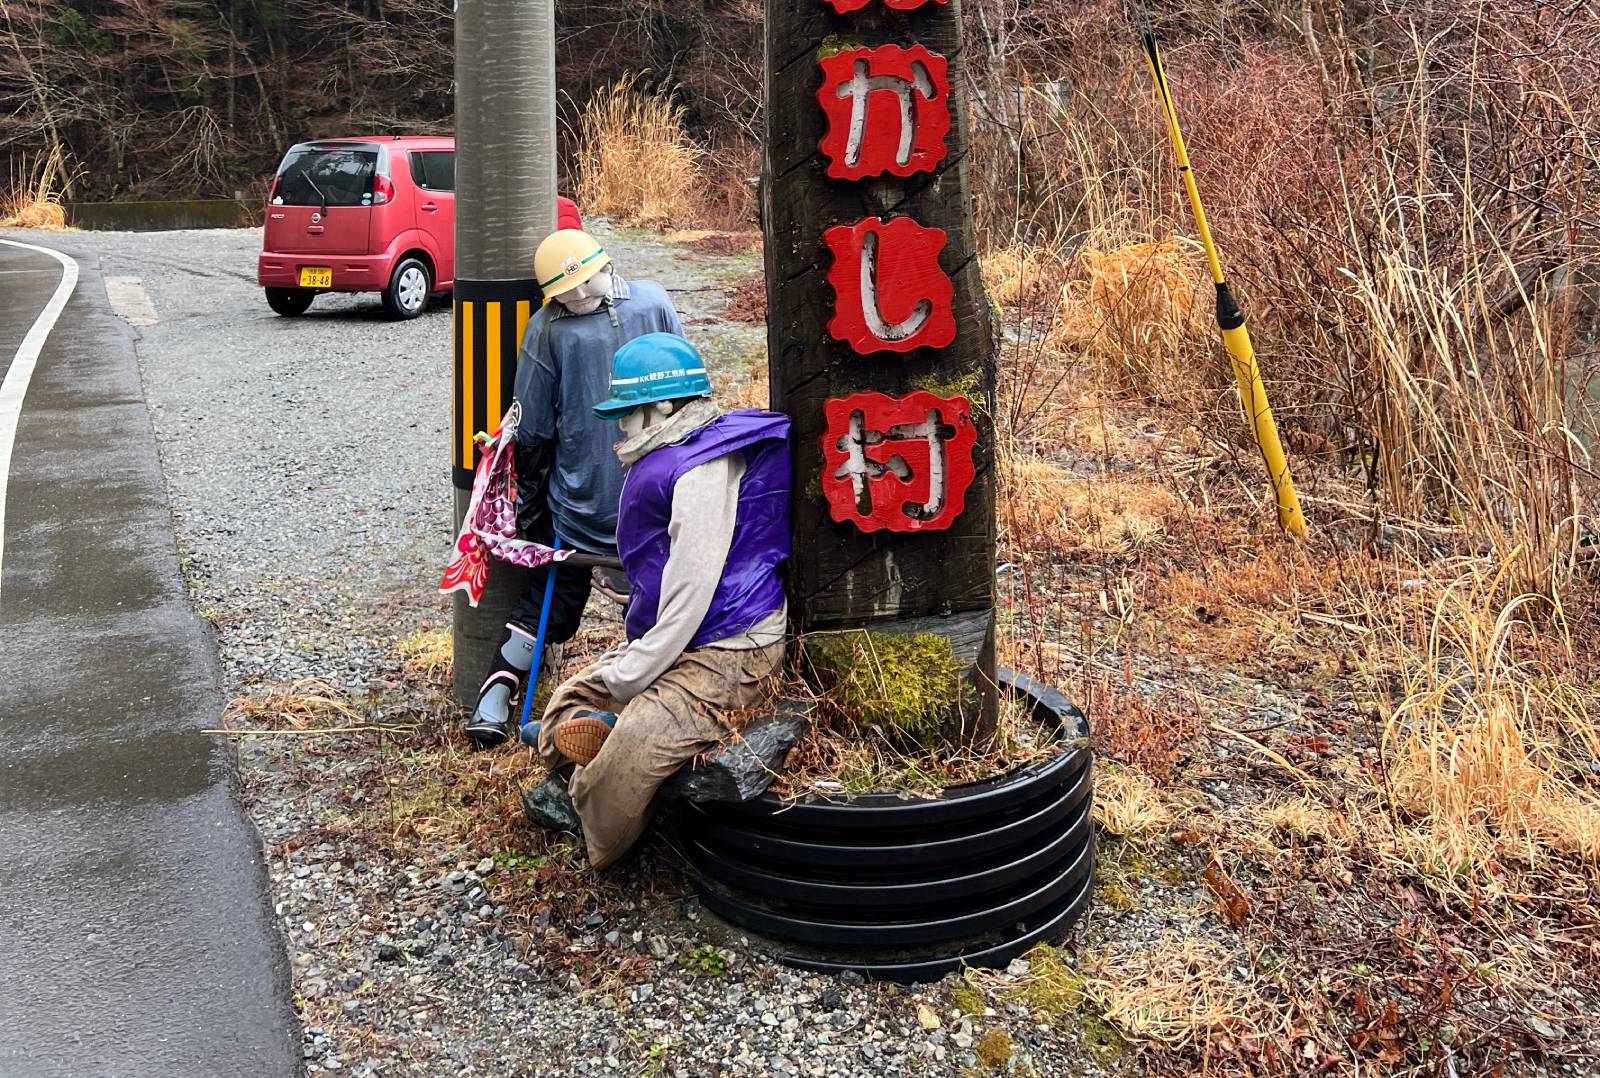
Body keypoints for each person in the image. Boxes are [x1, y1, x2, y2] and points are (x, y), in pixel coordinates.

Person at [529, 333, 791, 869]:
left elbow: (691, 593)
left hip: (731, 649)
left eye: (628, 415)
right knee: (573, 695)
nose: (620, 429)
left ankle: (588, 814)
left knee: (633, 749)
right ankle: (574, 740)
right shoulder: (681, 451)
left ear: (664, 408)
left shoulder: (699, 471)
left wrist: (633, 672)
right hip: (683, 637)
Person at [463, 230, 685, 748]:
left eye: (582, 285)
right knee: (660, 602)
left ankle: (502, 693)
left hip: (601, 502)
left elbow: (533, 430)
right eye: (567, 294)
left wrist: (530, 509)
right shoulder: (611, 312)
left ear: (604, 267)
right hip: (654, 504)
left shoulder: (553, 328)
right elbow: (691, 387)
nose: (578, 298)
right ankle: (640, 699)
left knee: (552, 595)